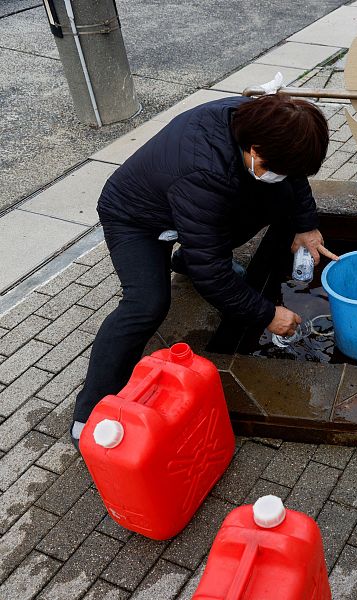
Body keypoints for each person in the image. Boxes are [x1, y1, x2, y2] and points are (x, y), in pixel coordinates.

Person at [71, 93, 338, 446]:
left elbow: (293, 174)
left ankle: (185, 258)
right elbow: (212, 273)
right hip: (136, 217)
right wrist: (266, 314)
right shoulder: (204, 172)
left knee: (266, 206)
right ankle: (90, 412)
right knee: (146, 305)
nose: (284, 175)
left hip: (186, 204)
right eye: (277, 168)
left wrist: (305, 225)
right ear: (255, 150)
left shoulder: (260, 122)